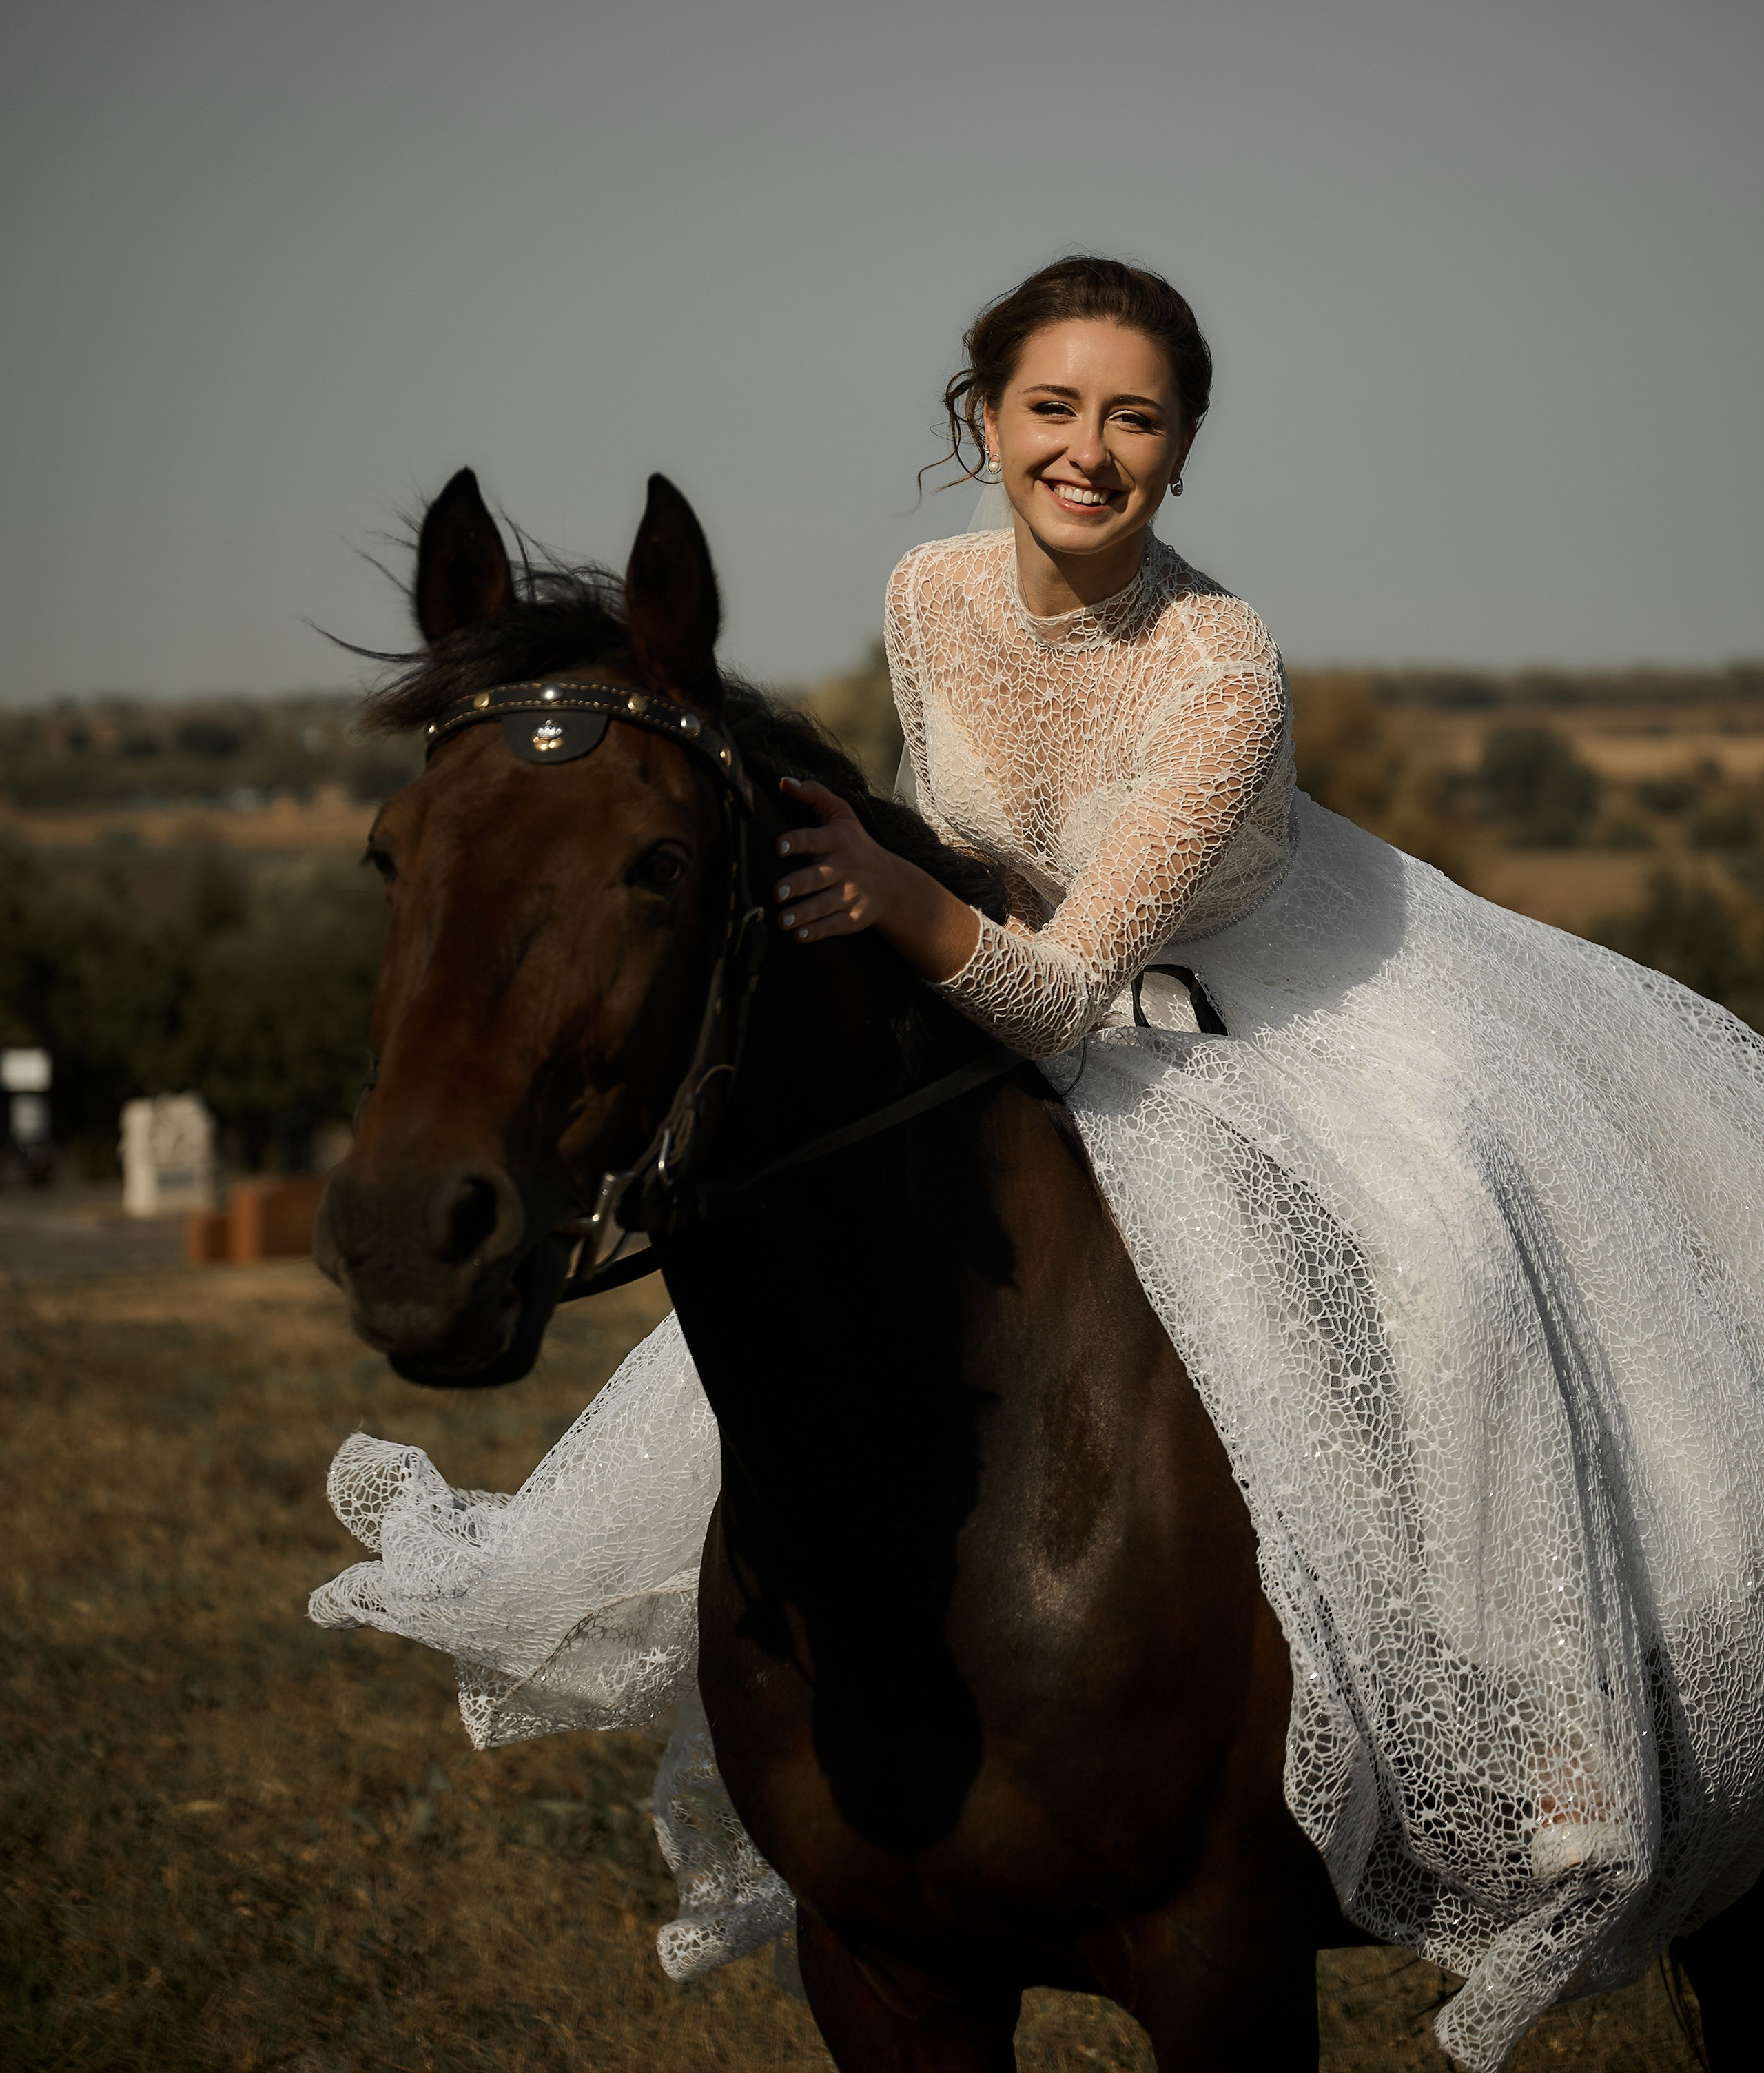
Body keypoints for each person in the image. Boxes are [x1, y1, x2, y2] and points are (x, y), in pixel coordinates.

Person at [314, 258, 1764, 2070]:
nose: (1091, 451)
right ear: (983, 424)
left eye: (1136, 418)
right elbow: (969, 843)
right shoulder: (930, 593)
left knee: (1445, 1239)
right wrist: (900, 900)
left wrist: (911, 907)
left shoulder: (1222, 655)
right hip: (996, 956)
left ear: (1179, 448)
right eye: (1053, 410)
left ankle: (1534, 1722)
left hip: (1269, 988)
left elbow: (1078, 988)